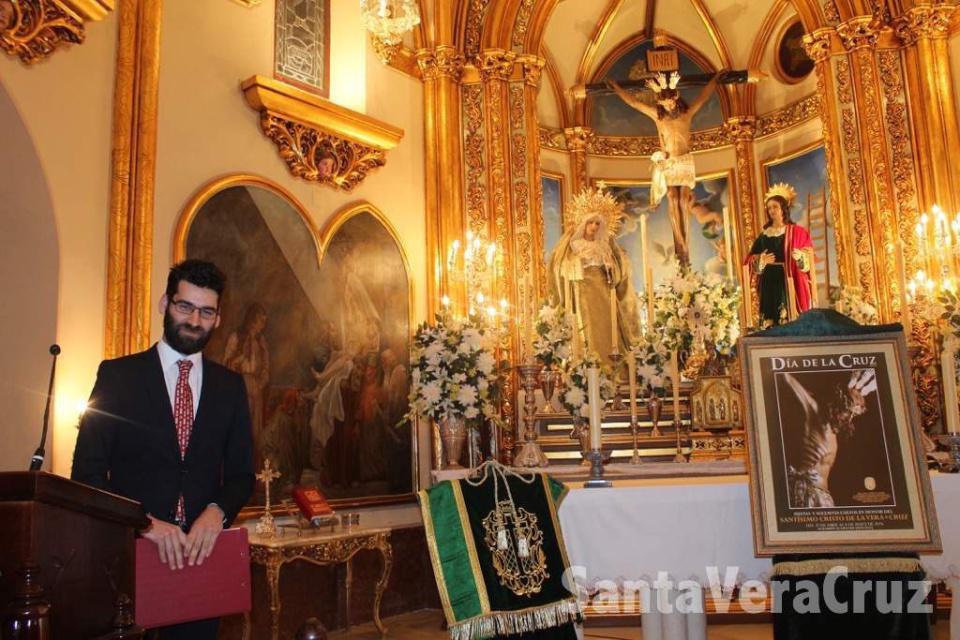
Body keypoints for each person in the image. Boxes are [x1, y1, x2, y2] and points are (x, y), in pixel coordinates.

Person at [72, 260, 254, 640]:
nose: (194, 321)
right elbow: (87, 474)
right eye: (185, 306)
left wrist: (217, 512)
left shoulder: (230, 387)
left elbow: (241, 475)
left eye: (206, 312)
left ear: (218, 318)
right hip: (129, 561)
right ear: (164, 304)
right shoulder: (118, 376)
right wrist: (145, 523)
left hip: (200, 564)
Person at [609, 70, 722, 265]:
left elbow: (703, 97)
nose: (669, 106)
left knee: (683, 200)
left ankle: (685, 243)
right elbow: (635, 103)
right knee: (672, 197)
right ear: (660, 103)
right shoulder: (658, 117)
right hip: (669, 163)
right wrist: (617, 88)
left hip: (684, 161)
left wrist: (716, 78)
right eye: (665, 103)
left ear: (676, 99)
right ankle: (678, 242)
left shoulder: (686, 114)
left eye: (671, 102)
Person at [548, 188, 638, 364]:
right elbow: (562, 266)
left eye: (597, 223)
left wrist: (610, 267)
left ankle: (611, 364)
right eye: (590, 222)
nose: (594, 227)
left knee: (608, 326)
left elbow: (615, 272)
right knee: (588, 328)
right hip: (584, 292)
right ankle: (589, 363)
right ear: (583, 223)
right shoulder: (575, 245)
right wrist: (578, 263)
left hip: (604, 292)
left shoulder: (604, 245)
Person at [782, 369, 877, 507]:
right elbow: (788, 379)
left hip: (823, 497)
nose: (861, 394)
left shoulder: (835, 430)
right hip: (806, 493)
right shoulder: (816, 414)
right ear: (841, 399)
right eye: (856, 395)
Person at [745, 183, 816, 327]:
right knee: (771, 322)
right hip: (768, 281)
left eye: (775, 207)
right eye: (769, 208)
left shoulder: (797, 232)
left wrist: (801, 257)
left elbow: (810, 257)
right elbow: (749, 260)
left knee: (788, 319)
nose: (771, 210)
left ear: (783, 208)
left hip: (788, 280)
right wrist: (761, 260)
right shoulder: (764, 235)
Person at [223, 303, 270, 457]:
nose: (263, 325)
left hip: (256, 387)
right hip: (239, 384)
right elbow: (227, 365)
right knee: (241, 426)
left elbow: (266, 367)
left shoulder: (261, 341)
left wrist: (260, 383)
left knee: (255, 430)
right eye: (261, 321)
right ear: (253, 320)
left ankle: (253, 463)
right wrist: (241, 357)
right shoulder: (236, 337)